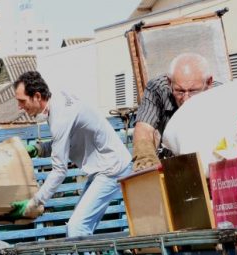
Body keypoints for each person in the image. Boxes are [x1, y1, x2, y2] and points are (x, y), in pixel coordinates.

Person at [11, 71, 132, 237]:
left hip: (112, 169)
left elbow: (59, 171)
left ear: (37, 96)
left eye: (22, 101)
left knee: (77, 229)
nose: (20, 107)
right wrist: (39, 149)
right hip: (105, 167)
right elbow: (67, 141)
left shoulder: (60, 117)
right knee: (75, 229)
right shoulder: (58, 102)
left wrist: (35, 202)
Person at [132, 53, 214, 171]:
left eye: (193, 91)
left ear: (209, 83)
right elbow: (144, 129)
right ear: (169, 82)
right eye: (180, 91)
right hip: (169, 164)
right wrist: (146, 161)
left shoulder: (220, 95)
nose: (186, 99)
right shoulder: (157, 89)